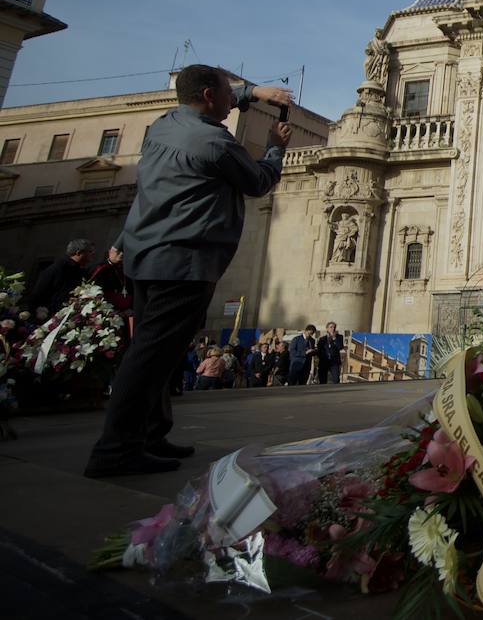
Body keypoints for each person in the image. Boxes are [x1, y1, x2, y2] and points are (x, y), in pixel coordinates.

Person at [84, 65, 291, 478]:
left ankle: (150, 436)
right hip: (183, 261)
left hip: (145, 256)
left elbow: (210, 91)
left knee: (158, 352)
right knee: (148, 357)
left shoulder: (163, 126)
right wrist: (274, 147)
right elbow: (257, 182)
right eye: (227, 95)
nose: (233, 101)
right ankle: (115, 450)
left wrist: (254, 92)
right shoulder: (214, 142)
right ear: (210, 97)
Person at [20, 239, 95, 316]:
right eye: (90, 251)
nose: (93, 254)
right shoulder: (59, 268)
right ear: (78, 253)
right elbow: (39, 294)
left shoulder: (80, 271)